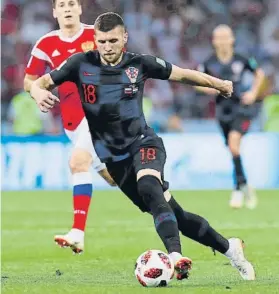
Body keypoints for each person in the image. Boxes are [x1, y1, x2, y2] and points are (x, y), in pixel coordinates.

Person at [29, 12, 255, 281]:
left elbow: (182, 75)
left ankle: (174, 257)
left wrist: (218, 84)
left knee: (150, 185)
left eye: (113, 40)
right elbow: (41, 82)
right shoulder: (80, 64)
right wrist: (39, 92)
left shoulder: (139, 63)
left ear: (124, 37)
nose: (108, 47)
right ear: (95, 40)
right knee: (176, 215)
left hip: (144, 143)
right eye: (102, 41)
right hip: (114, 158)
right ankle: (230, 249)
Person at [23, 0, 116, 255]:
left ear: (79, 9)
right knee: (114, 178)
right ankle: (158, 194)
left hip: (99, 114)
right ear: (54, 12)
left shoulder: (96, 36)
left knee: (77, 163)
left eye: (71, 3)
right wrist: (37, 93)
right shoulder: (45, 43)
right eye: (61, 4)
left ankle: (77, 233)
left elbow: (119, 66)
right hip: (72, 122)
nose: (66, 8)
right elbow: (29, 81)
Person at [196, 25, 265, 209]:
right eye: (219, 37)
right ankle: (245, 186)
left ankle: (237, 190)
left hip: (241, 108)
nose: (223, 41)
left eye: (226, 37)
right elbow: (195, 80)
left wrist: (253, 93)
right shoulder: (209, 62)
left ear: (232, 39)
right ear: (214, 41)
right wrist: (208, 88)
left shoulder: (241, 59)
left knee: (234, 145)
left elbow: (260, 74)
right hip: (222, 111)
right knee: (233, 150)